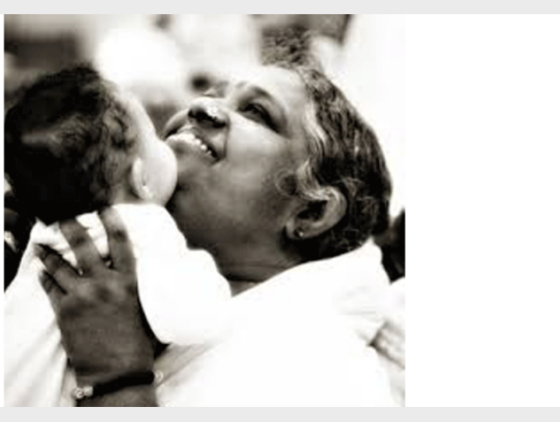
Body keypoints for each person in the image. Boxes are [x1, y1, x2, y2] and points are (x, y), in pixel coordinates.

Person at [34, 38, 397, 406]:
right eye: (210, 94)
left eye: (256, 111)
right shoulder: (100, 256)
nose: (199, 107)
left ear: (311, 213)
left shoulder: (334, 378)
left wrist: (115, 378)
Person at [3, 65, 231, 407]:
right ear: (142, 181)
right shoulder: (143, 227)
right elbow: (195, 317)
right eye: (155, 137)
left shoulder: (43, 235)